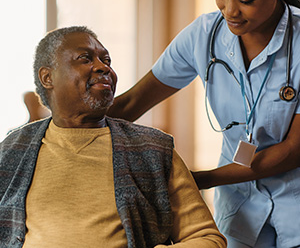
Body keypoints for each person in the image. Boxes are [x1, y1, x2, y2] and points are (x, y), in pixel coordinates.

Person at [107, 0, 300, 247]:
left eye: (246, 0)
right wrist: (65, 135)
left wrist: (198, 180)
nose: (230, 10)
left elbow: (293, 150)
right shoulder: (203, 36)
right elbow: (131, 104)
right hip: (239, 211)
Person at [0, 26, 226, 248]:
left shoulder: (153, 150)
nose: (103, 68)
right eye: (85, 59)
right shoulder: (12, 150)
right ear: (47, 77)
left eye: (106, 60)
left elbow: (207, 238)